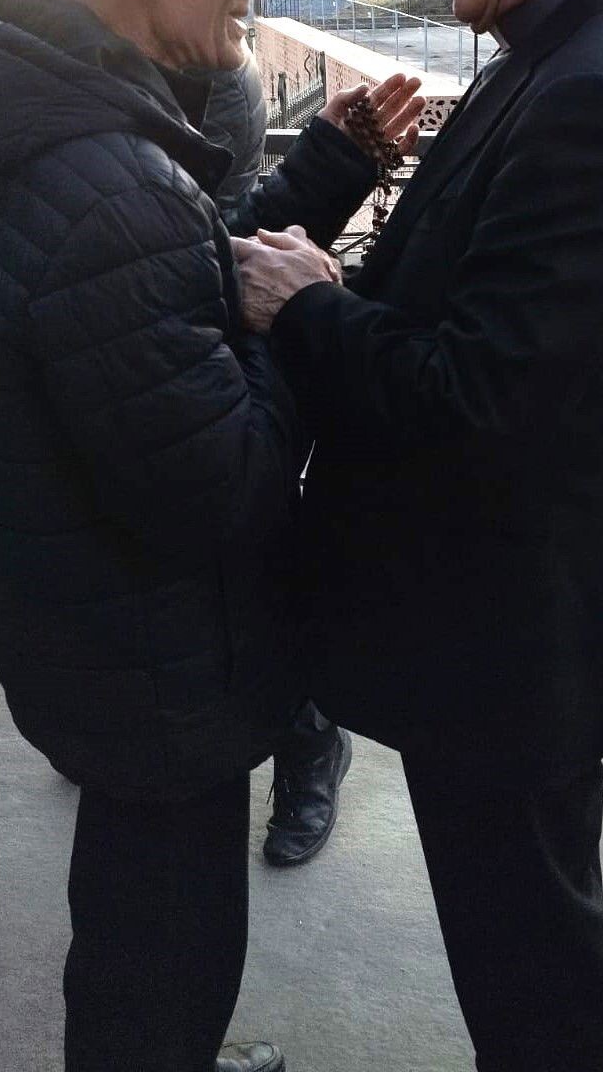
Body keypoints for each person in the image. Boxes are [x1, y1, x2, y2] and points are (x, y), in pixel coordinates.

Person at [0, 0, 420, 1072]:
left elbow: (175, 281)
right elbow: (228, 481)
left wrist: (329, 174)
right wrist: (302, 316)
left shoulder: (77, 134)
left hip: (98, 633)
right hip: (156, 663)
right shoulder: (106, 176)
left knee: (137, 916)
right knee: (164, 948)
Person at [234, 0, 603, 1072]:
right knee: (527, 950)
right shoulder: (558, 52)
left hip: (506, 652)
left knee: (533, 984)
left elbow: (486, 400)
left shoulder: (594, 95)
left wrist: (309, 306)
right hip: (507, 637)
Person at [202, 58, 352, 867]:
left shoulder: (213, 66)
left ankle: (307, 749)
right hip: (183, 364)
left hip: (245, 363)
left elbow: (237, 225)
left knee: (264, 562)